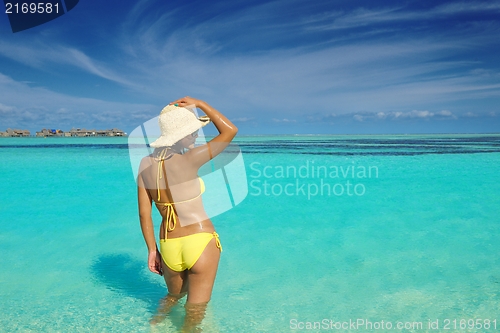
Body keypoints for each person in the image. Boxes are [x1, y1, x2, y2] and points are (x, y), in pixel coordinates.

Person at [137, 96, 237, 331]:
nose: (196, 136)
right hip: (200, 242)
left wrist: (152, 251)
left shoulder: (143, 164)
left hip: (168, 244)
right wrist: (201, 104)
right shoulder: (191, 158)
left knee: (173, 297)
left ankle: (154, 325)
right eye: (192, 132)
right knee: (195, 311)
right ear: (179, 135)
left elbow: (144, 214)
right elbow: (230, 131)